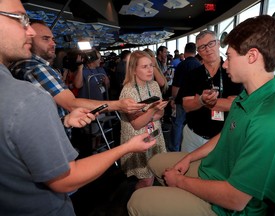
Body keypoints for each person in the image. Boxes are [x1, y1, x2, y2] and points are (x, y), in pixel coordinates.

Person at [0, 1, 157, 215]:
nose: (28, 31)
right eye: (20, 20)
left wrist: (62, 121)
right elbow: (65, 180)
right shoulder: (29, 92)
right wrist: (126, 145)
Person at [127, 14, 275, 216]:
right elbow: (225, 134)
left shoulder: (273, 118)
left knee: (137, 200)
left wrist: (182, 182)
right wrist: (189, 158)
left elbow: (235, 199)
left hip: (228, 208)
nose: (225, 64)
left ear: (252, 56)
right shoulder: (246, 97)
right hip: (215, 170)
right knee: (154, 162)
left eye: (229, 57)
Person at [10, 20, 145, 134]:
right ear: (28, 40)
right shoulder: (36, 68)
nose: (53, 43)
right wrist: (119, 105)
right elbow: (71, 103)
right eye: (45, 39)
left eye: (53, 39)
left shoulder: (21, 65)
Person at [180, 30, 242, 152]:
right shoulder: (192, 75)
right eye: (202, 47)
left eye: (211, 44)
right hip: (193, 136)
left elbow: (233, 104)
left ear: (218, 44)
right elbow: (186, 105)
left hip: (222, 137)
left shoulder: (233, 72)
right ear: (198, 52)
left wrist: (200, 101)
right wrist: (202, 101)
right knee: (185, 168)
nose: (207, 49)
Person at [119, 51, 169, 189]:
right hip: (137, 138)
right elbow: (136, 124)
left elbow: (162, 112)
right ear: (134, 70)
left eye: (151, 66)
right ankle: (138, 207)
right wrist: (152, 111)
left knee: (153, 174)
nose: (150, 70)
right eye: (144, 67)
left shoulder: (153, 85)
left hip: (154, 134)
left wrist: (146, 115)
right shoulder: (127, 91)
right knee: (146, 180)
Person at [169, 42, 201, 151]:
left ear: (185, 50)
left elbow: (176, 85)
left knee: (178, 124)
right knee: (191, 125)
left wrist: (173, 99)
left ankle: (174, 149)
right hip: (195, 101)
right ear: (195, 51)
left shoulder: (181, 65)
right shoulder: (199, 65)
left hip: (181, 100)